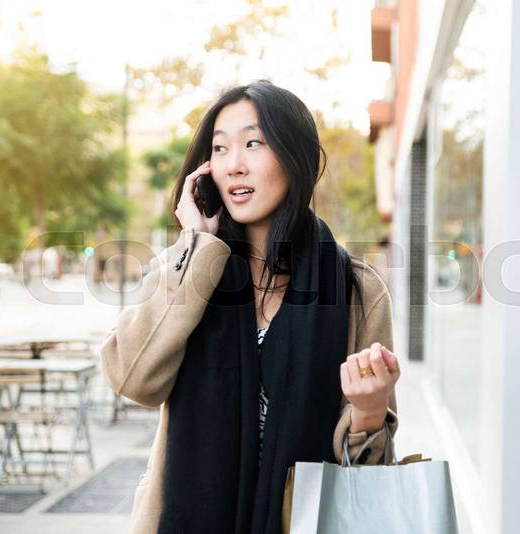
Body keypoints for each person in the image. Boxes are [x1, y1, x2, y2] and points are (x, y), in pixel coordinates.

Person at [100, 79, 400, 534]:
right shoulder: (189, 266)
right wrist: (197, 247)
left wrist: (371, 410)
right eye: (220, 149)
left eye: (253, 143)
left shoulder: (357, 290)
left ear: (295, 158)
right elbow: (132, 378)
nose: (234, 165)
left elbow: (368, 471)